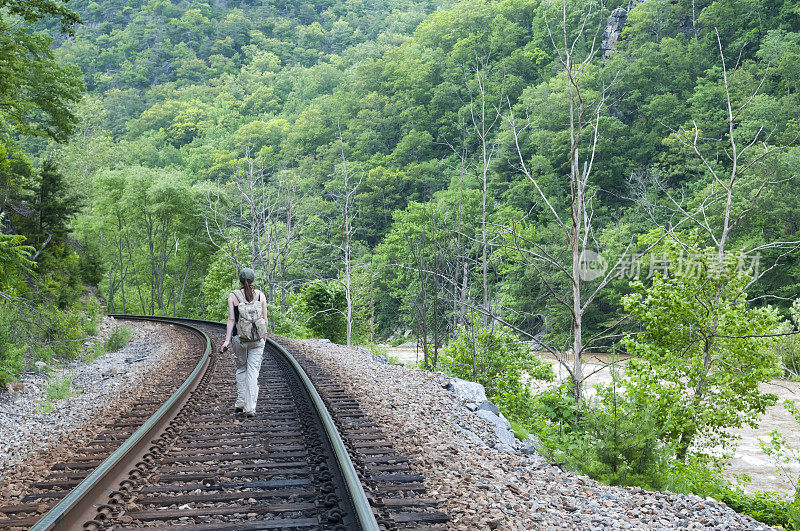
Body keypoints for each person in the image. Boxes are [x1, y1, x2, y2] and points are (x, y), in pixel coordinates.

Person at [220, 267, 268, 417]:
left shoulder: (233, 296)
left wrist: (227, 340)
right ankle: (250, 408)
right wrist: (263, 337)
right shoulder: (261, 296)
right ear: (253, 281)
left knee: (241, 369)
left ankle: (240, 403)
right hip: (257, 339)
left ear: (240, 281)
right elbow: (265, 320)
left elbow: (231, 320)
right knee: (253, 372)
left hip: (239, 339)